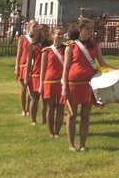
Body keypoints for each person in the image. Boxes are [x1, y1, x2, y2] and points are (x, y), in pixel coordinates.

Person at [62, 18, 108, 152]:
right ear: (80, 30)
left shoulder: (95, 45)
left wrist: (116, 71)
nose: (90, 31)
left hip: (88, 84)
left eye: (91, 28)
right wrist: (64, 86)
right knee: (71, 114)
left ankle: (82, 145)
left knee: (85, 115)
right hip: (72, 84)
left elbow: (102, 64)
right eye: (87, 28)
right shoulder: (71, 46)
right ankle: (71, 145)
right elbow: (65, 68)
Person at [40, 25, 66, 138]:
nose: (60, 36)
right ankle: (51, 132)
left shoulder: (67, 49)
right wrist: (41, 84)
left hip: (61, 82)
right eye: (58, 34)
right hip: (49, 81)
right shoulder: (47, 51)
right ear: (53, 35)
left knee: (60, 107)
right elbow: (43, 69)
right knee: (50, 107)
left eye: (62, 34)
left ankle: (57, 132)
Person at [24, 23, 49, 125]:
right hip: (35, 74)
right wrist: (26, 77)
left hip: (47, 74)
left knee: (46, 100)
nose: (46, 33)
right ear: (39, 32)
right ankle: (33, 120)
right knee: (34, 99)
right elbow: (29, 62)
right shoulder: (33, 45)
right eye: (44, 31)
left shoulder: (50, 45)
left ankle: (45, 120)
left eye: (47, 31)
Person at [15, 19, 37, 117]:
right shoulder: (23, 38)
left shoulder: (38, 40)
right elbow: (19, 54)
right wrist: (17, 67)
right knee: (24, 88)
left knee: (31, 89)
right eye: (34, 26)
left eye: (37, 26)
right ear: (29, 27)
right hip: (23, 66)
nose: (35, 28)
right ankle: (23, 109)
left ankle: (29, 108)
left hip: (33, 67)